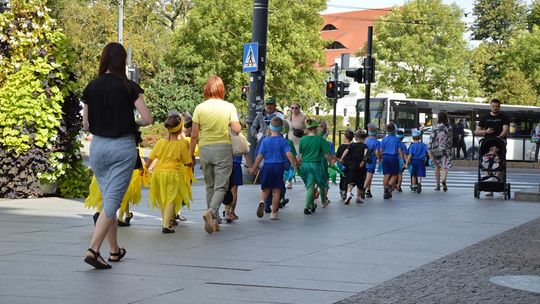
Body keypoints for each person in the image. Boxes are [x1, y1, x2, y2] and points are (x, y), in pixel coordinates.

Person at [82, 42, 153, 269]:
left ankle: (114, 251)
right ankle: (93, 250)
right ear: (122, 62)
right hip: (122, 147)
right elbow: (148, 118)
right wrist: (132, 122)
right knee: (112, 202)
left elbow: (85, 125)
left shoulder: (91, 87)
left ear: (104, 60)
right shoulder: (129, 86)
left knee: (108, 201)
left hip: (99, 148)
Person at [190, 76, 241, 234]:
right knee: (221, 186)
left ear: (206, 89)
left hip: (204, 148)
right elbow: (237, 129)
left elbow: (194, 135)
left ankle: (214, 222)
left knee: (209, 185)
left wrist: (190, 155)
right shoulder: (229, 107)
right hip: (222, 149)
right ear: (221, 89)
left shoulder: (200, 108)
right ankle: (211, 212)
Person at [146, 113, 192, 233]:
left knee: (162, 198)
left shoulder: (160, 142)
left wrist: (145, 168)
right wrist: (191, 163)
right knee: (171, 199)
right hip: (173, 175)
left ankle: (166, 221)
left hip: (158, 174)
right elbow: (188, 162)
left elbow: (150, 159)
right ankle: (166, 225)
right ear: (181, 127)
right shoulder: (181, 145)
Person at [85, 147, 149, 227]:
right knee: (125, 196)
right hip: (127, 173)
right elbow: (138, 159)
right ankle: (120, 218)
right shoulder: (131, 145)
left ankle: (99, 213)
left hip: (106, 171)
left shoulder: (108, 144)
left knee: (104, 193)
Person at [249, 117, 297, 220]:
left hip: (267, 166)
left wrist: (254, 168)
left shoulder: (265, 141)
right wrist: (294, 165)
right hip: (278, 167)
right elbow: (289, 154)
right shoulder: (283, 141)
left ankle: (262, 201)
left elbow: (259, 156)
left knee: (265, 189)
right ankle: (273, 213)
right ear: (281, 129)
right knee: (276, 190)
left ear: (270, 128)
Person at [297, 119, 333, 214]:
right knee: (311, 187)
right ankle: (306, 207)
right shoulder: (320, 139)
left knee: (309, 186)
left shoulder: (303, 139)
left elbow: (300, 155)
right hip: (314, 165)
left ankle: (312, 205)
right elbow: (326, 155)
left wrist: (296, 166)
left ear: (308, 129)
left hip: (304, 166)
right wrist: (331, 163)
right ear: (315, 128)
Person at [475, 98, 510, 196]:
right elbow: (477, 131)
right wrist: (486, 132)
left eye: (497, 107)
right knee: (486, 163)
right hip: (487, 143)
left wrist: (500, 137)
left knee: (501, 162)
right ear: (490, 106)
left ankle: (498, 184)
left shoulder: (504, 117)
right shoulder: (485, 117)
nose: (495, 108)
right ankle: (490, 186)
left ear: (499, 107)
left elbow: (505, 129)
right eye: (493, 106)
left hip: (500, 143)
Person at [338, 129, 368, 204]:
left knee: (351, 182)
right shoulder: (365, 146)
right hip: (361, 166)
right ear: (364, 138)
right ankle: (358, 197)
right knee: (360, 182)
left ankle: (348, 195)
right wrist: (363, 161)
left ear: (355, 137)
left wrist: (342, 158)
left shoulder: (351, 145)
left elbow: (346, 151)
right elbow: (366, 154)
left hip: (352, 166)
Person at [379, 123, 405, 199]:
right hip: (393, 157)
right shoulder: (396, 139)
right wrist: (402, 159)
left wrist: (381, 158)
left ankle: (385, 191)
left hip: (385, 157)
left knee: (386, 174)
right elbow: (399, 150)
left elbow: (381, 150)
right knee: (395, 174)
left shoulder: (384, 139)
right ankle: (389, 186)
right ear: (394, 130)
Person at [430, 111, 453, 192]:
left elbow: (432, 138)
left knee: (437, 167)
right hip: (446, 149)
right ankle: (444, 180)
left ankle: (437, 185)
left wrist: (430, 146)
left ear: (439, 118)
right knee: (444, 166)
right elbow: (451, 139)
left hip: (436, 149)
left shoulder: (435, 127)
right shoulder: (449, 127)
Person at [363, 123, 381, 199]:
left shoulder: (366, 141)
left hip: (364, 160)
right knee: (369, 176)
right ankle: (363, 190)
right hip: (371, 161)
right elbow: (377, 152)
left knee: (366, 176)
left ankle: (368, 190)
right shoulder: (377, 142)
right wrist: (379, 159)